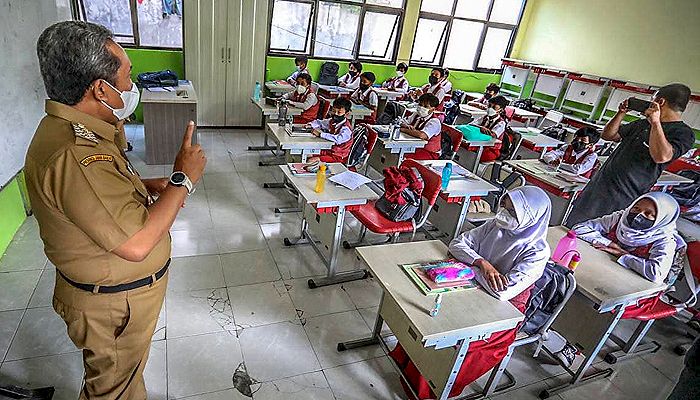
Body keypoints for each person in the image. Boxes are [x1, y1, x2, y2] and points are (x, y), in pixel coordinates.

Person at [25, 21, 207, 398]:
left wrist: (139, 186)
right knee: (112, 391)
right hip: (113, 306)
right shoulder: (75, 153)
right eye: (127, 76)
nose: (131, 87)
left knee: (120, 380)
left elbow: (89, 199)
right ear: (100, 88)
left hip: (114, 297)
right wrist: (182, 179)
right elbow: (137, 243)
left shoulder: (77, 132)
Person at [390, 186, 552, 399]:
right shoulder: (494, 225)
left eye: (512, 211)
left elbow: (503, 292)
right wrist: (481, 263)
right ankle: (409, 362)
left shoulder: (537, 251)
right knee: (429, 317)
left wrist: (468, 268)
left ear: (530, 217)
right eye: (504, 205)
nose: (504, 213)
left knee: (455, 339)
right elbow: (456, 244)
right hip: (472, 288)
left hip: (503, 313)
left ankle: (430, 387)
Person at [553, 192, 684, 366]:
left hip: (639, 293)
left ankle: (574, 346)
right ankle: (551, 321)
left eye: (648, 214)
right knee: (565, 279)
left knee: (597, 304)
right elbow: (580, 229)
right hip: (607, 272)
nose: (638, 215)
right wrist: (608, 244)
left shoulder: (664, 240)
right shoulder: (619, 219)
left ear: (661, 219)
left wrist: (624, 255)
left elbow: (655, 273)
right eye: (636, 208)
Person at [566, 83, 695, 226]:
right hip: (597, 188)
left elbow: (661, 156)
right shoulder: (642, 124)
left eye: (652, 100)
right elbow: (608, 135)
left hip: (623, 198)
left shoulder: (683, 133)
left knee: (595, 236)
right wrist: (621, 113)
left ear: (660, 102)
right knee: (570, 228)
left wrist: (655, 123)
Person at [306, 97, 354, 164]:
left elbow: (338, 139)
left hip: (338, 156)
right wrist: (310, 125)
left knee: (310, 161)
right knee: (306, 153)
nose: (335, 114)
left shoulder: (346, 128)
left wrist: (320, 134)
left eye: (339, 112)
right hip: (329, 150)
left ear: (347, 114)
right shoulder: (332, 121)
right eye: (334, 111)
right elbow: (320, 122)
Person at [402, 93, 442, 160]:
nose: (421, 108)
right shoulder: (416, 114)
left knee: (403, 158)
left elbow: (422, 135)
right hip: (414, 146)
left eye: (426, 107)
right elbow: (403, 121)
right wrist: (406, 126)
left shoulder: (434, 122)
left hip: (428, 152)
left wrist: (404, 130)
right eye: (420, 105)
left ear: (433, 109)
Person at [472, 95, 510, 162]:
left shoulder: (501, 123)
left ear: (501, 110)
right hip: (480, 145)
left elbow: (493, 135)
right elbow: (471, 124)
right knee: (467, 150)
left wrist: (480, 129)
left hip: (491, 150)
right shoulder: (485, 117)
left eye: (494, 107)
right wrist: (480, 127)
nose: (490, 109)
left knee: (473, 156)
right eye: (489, 106)